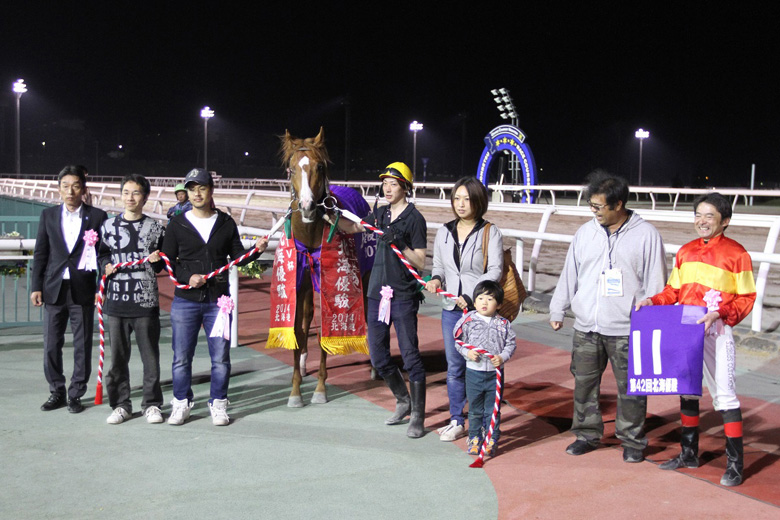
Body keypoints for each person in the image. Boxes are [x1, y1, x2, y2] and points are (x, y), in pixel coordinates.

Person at [635, 192, 755, 486]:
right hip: (686, 330)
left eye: (709, 216)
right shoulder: (685, 252)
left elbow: (747, 297)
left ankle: (735, 466)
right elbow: (673, 292)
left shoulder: (737, 254)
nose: (702, 221)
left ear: (725, 221)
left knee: (725, 396)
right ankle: (688, 453)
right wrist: (653, 301)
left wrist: (720, 313)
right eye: (698, 215)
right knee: (687, 391)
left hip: (717, 331)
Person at [549, 170, 667, 463]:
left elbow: (656, 283)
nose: (594, 211)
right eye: (591, 205)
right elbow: (570, 273)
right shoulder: (584, 233)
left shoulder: (646, 235)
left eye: (598, 206)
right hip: (586, 327)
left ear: (618, 204)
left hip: (628, 328)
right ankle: (586, 435)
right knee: (584, 385)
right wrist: (558, 308)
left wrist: (654, 322)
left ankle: (632, 440)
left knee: (632, 389)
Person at [161, 168, 268, 426]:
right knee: (181, 358)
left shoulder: (226, 222)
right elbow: (168, 260)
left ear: (211, 191)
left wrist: (256, 250)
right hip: (185, 301)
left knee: (220, 358)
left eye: (202, 188)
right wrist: (188, 277)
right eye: (192, 189)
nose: (197, 194)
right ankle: (181, 403)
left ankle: (218, 403)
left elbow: (238, 257)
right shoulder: (177, 224)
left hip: (218, 302)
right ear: (187, 193)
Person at [334, 162, 428, 438]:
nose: (387, 188)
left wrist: (400, 244)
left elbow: (420, 261)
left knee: (410, 356)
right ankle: (403, 400)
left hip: (403, 295)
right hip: (377, 294)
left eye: (393, 184)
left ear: (405, 188)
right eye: (385, 183)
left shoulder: (415, 219)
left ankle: (418, 416)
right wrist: (328, 216)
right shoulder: (380, 213)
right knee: (377, 355)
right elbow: (352, 227)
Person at [425, 176, 503, 442]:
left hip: (480, 313)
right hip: (451, 311)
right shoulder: (444, 231)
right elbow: (438, 266)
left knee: (482, 368)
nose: (460, 204)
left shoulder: (490, 232)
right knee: (455, 367)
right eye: (457, 198)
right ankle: (457, 420)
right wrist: (436, 280)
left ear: (478, 201)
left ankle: (485, 425)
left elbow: (495, 270)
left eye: (467, 199)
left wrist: (472, 296)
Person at [31, 165, 108, 413]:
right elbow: (41, 253)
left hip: (83, 289)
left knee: (82, 344)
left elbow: (103, 255)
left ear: (83, 189)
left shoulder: (97, 216)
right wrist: (36, 286)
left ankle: (76, 393)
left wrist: (100, 287)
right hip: (53, 288)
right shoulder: (48, 215)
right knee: (51, 344)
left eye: (75, 186)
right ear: (59, 189)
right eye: (65, 186)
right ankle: (57, 391)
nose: (70, 191)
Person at [98, 174, 166, 425]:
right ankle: (120, 405)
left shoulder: (156, 228)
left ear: (145, 197)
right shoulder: (108, 226)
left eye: (136, 193)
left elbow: (161, 266)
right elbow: (102, 255)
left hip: (145, 302)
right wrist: (106, 265)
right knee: (117, 358)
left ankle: (152, 404)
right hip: (116, 302)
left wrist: (157, 261)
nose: (130, 197)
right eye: (126, 192)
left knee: (150, 358)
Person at [454, 280, 516, 456]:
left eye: (490, 299)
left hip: (494, 375)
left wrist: (502, 357)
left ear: (499, 304)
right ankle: (474, 438)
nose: (484, 302)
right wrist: (467, 352)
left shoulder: (503, 324)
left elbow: (511, 344)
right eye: (480, 298)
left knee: (492, 409)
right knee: (475, 409)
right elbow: (458, 341)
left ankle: (491, 438)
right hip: (474, 372)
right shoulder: (467, 320)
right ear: (474, 302)